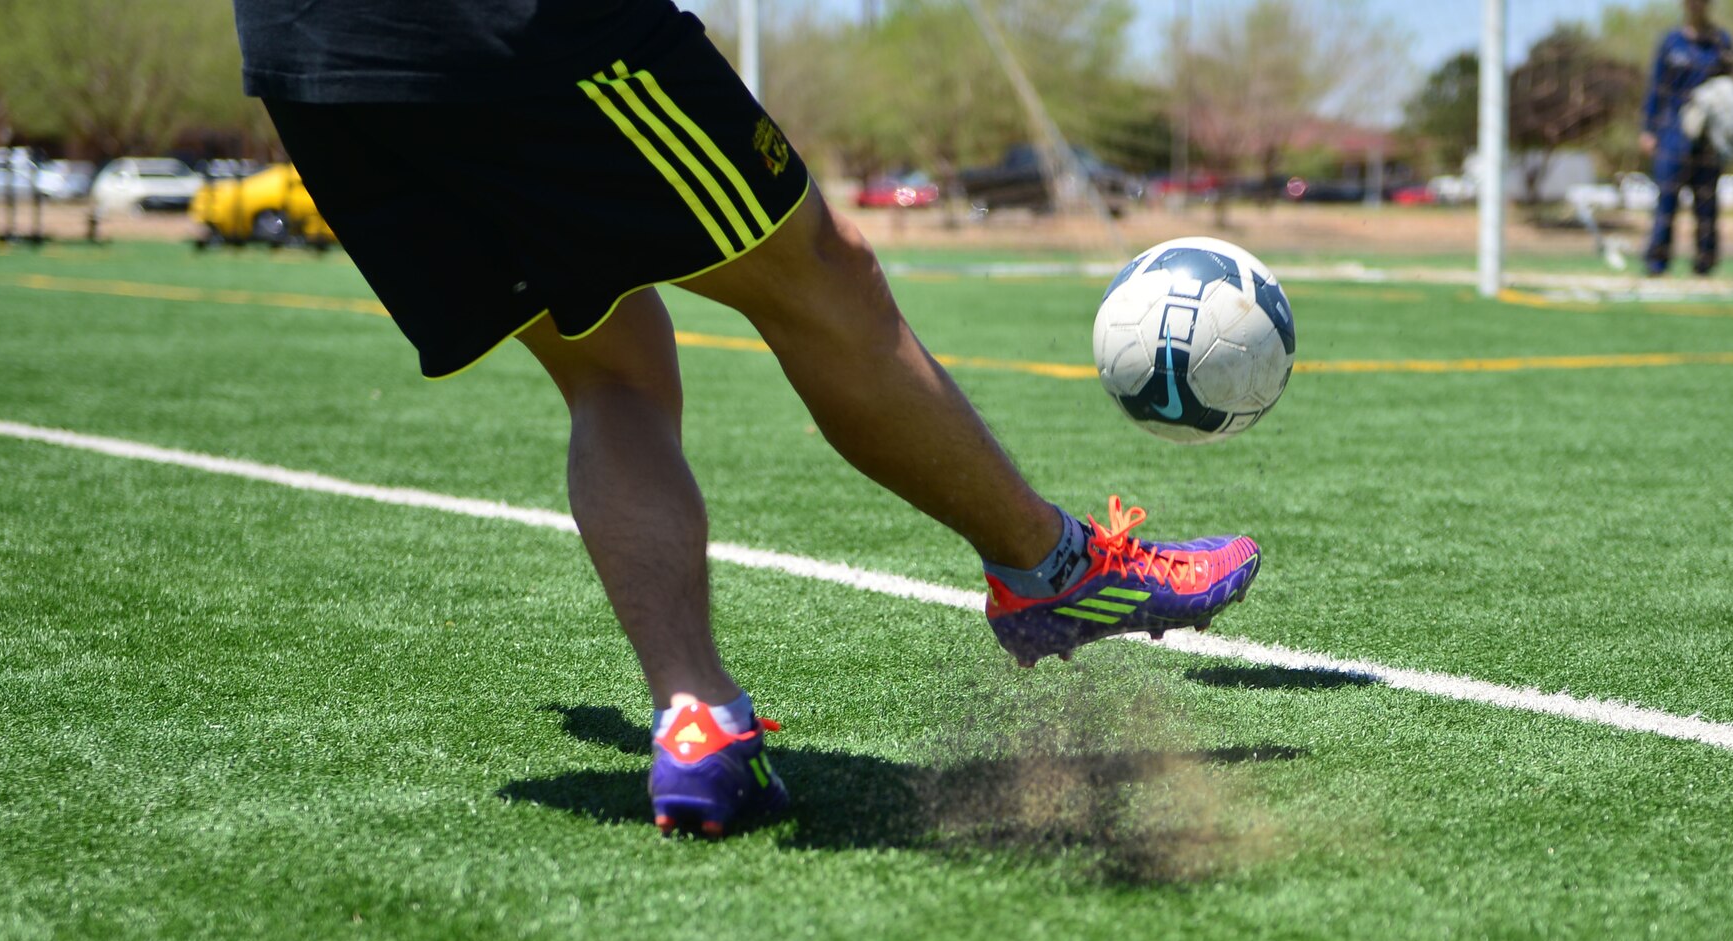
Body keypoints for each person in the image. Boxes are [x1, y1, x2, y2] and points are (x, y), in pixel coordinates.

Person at [229, 0, 1262, 837]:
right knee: (820, 277)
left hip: (311, 63)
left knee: (608, 364)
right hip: (505, 26)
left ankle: (698, 723)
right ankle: (1052, 565)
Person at [1638, 0, 1733, 276]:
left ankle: (1705, 263)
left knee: (1706, 201)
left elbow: (1732, 85)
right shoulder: (1671, 42)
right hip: (1672, 131)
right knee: (1666, 199)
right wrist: (1649, 129)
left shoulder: (1721, 42)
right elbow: (1656, 87)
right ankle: (1656, 263)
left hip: (1708, 134)